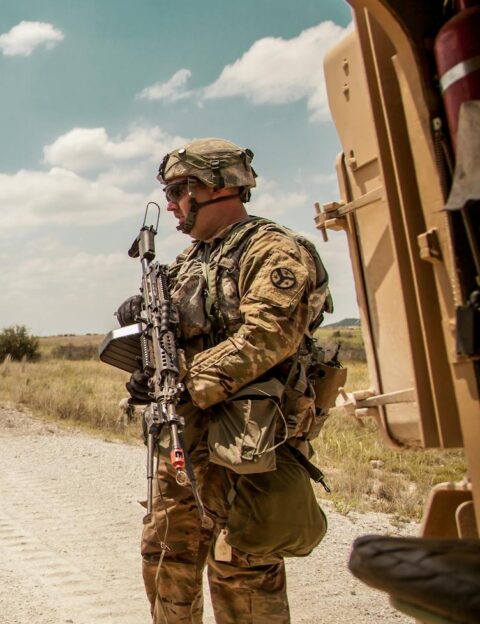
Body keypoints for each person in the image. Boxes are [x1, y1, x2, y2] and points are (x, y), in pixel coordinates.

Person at [128, 139, 332, 623]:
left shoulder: (274, 249)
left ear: (218, 187)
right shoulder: (185, 264)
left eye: (179, 190)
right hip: (184, 442)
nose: (172, 204)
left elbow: (269, 334)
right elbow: (175, 341)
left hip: (248, 443)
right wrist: (148, 367)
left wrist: (183, 382)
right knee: (165, 559)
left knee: (243, 570)